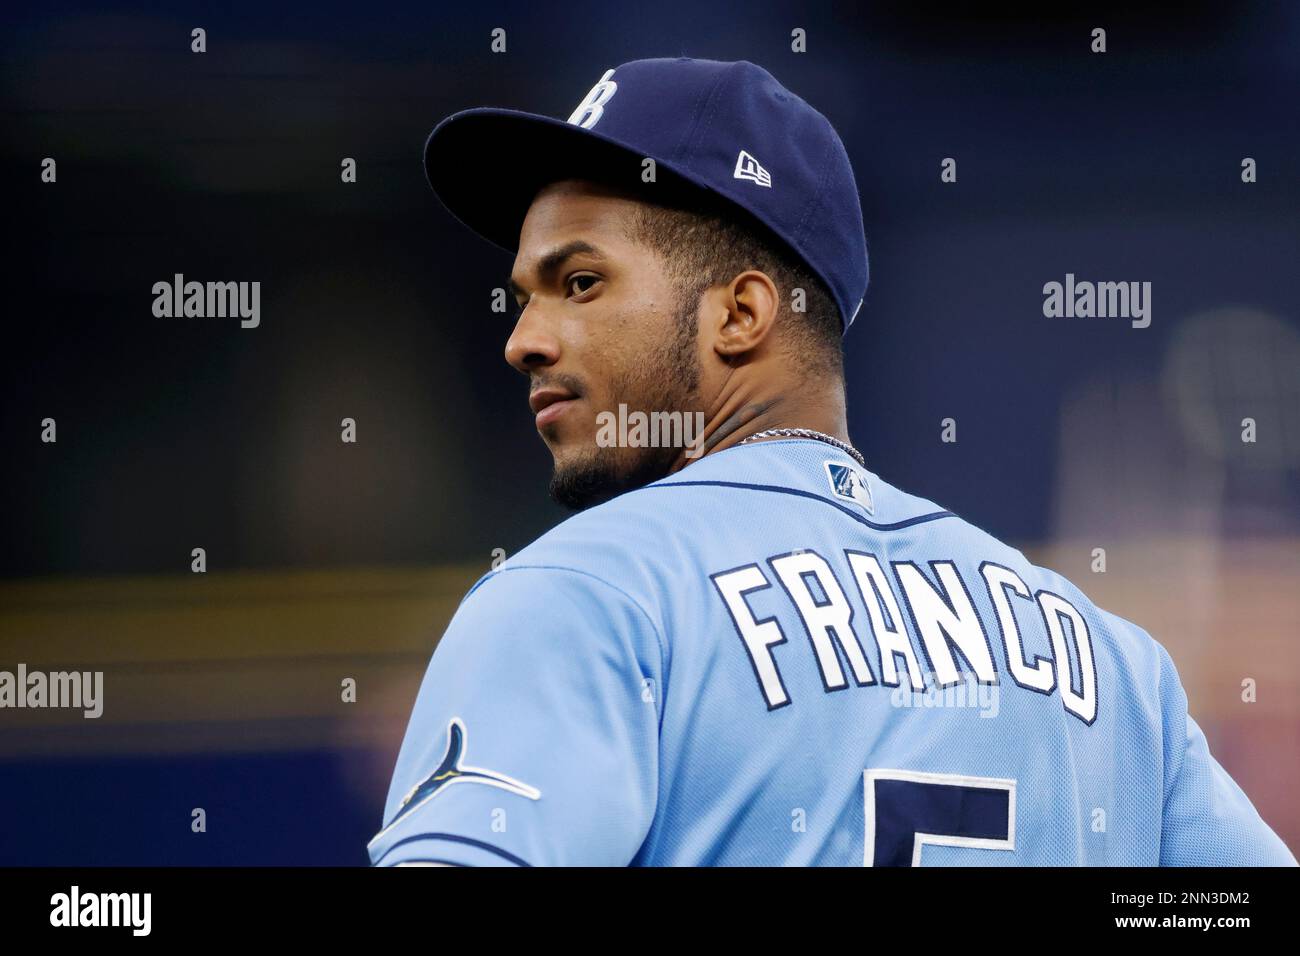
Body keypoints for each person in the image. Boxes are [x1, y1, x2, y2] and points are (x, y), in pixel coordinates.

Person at [368, 57, 1296, 866]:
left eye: (579, 283)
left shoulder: (588, 597)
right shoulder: (1114, 667)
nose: (522, 340)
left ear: (741, 314)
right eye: (524, 296)